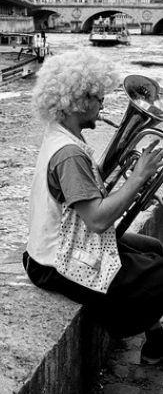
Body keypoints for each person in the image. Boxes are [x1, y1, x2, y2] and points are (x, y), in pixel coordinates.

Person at [23, 49, 163, 363]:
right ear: (79, 101)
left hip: (56, 247)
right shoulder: (69, 155)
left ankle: (156, 338)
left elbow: (87, 196)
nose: (103, 104)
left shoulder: (61, 137)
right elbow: (97, 220)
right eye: (99, 97)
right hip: (56, 263)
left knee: (153, 247)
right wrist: (138, 176)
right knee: (157, 273)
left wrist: (132, 187)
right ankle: (149, 337)